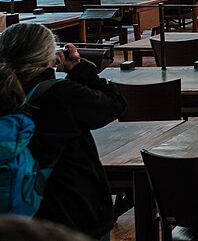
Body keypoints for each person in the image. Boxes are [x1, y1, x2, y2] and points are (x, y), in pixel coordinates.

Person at [0, 23, 125, 239]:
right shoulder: (62, 94)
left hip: (17, 212)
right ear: (49, 55)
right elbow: (114, 104)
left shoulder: (5, 92)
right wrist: (78, 69)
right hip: (71, 208)